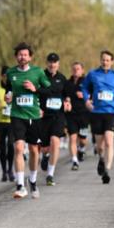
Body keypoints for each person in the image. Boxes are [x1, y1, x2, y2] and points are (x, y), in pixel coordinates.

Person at [4, 42, 52, 199]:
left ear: (30, 57)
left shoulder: (37, 72)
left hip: (34, 116)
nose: (22, 57)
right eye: (19, 54)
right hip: (17, 115)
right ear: (16, 57)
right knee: (18, 148)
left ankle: (32, 180)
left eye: (25, 55)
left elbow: (49, 90)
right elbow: (9, 89)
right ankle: (20, 185)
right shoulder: (11, 73)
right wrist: (8, 96)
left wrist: (35, 89)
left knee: (33, 150)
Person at [82, 50, 114, 184]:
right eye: (103, 59)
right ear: (100, 60)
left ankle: (107, 170)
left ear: (112, 62)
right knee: (100, 146)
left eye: (107, 60)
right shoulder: (92, 74)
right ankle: (101, 159)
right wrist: (86, 100)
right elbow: (84, 88)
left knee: (109, 141)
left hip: (110, 112)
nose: (105, 62)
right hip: (96, 112)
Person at [39, 53, 68, 186]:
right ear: (47, 63)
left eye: (55, 62)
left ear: (58, 64)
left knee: (55, 142)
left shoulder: (62, 78)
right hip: (44, 116)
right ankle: (45, 156)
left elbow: (67, 95)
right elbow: (35, 92)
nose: (52, 64)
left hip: (58, 116)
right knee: (45, 148)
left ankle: (50, 175)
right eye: (50, 62)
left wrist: (68, 101)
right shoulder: (41, 76)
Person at [64, 61, 89, 171]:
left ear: (82, 70)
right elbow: (63, 94)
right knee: (72, 137)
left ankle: (82, 149)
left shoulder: (87, 82)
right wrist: (66, 100)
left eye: (78, 69)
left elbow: (92, 95)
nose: (76, 71)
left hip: (83, 114)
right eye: (74, 69)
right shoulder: (67, 83)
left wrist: (84, 95)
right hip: (71, 114)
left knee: (83, 140)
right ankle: (74, 161)